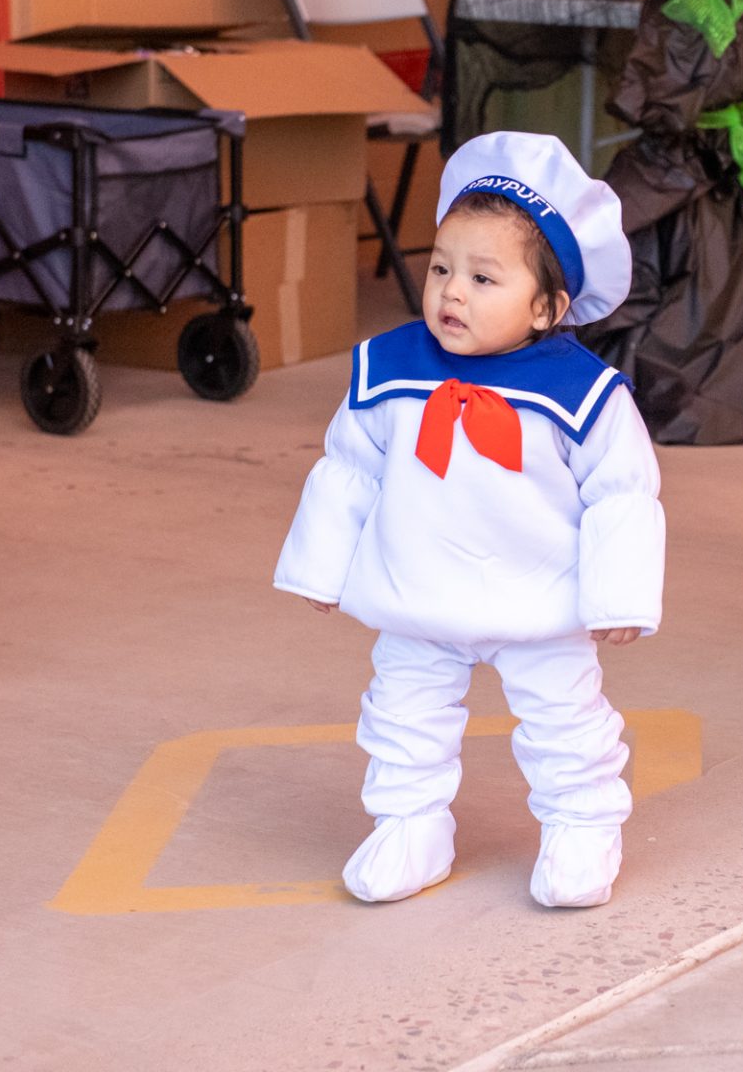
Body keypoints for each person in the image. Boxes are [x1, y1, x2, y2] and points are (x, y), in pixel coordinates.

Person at [274, 132, 666, 908]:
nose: (453, 293)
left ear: (549, 307)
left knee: (563, 719)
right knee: (402, 714)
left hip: (540, 599)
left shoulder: (582, 391)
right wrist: (323, 566)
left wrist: (618, 598)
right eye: (442, 268)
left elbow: (621, 493)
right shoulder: (388, 367)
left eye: (485, 278)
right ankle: (410, 824)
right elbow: (350, 466)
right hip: (418, 592)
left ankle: (583, 825)